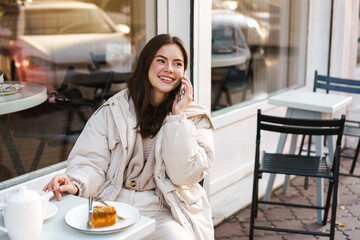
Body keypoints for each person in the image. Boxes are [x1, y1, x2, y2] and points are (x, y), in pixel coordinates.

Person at [43, 34, 215, 240]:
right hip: (113, 204)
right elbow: (91, 160)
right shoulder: (114, 110)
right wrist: (75, 182)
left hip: (162, 211)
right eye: (161, 60)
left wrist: (178, 118)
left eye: (177, 64)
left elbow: (182, 175)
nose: (169, 69)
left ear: (183, 73)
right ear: (146, 64)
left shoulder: (195, 117)